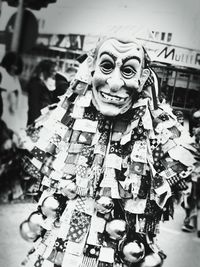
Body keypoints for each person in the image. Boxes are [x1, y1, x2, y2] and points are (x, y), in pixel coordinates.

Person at [20, 33, 196, 267]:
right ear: (91, 67)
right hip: (61, 243)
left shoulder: (154, 130)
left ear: (144, 78)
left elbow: (176, 169)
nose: (114, 83)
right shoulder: (66, 118)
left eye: (128, 71)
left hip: (119, 247)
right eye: (106, 65)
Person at [26, 59, 58, 125]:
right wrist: (35, 123)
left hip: (41, 119)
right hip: (37, 120)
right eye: (52, 71)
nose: (54, 73)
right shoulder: (36, 84)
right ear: (45, 71)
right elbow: (34, 106)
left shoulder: (41, 83)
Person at [0, 51, 25, 134]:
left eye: (16, 67)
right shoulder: (1, 72)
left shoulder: (15, 78)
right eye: (12, 67)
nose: (14, 69)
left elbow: (18, 93)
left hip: (12, 115)